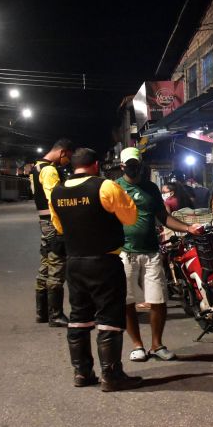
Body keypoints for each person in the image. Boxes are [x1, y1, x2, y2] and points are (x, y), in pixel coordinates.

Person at [49, 147, 142, 392]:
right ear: (96, 165)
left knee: (79, 317)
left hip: (75, 263)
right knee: (109, 318)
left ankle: (82, 373)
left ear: (74, 166)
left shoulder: (57, 193)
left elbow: (59, 227)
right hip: (104, 262)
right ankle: (111, 376)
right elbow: (130, 217)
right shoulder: (105, 187)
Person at [116, 147, 204, 363]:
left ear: (141, 164)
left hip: (151, 252)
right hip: (125, 253)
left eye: (136, 164)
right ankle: (137, 345)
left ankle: (157, 345)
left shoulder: (151, 188)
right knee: (127, 302)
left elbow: (164, 217)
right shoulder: (114, 188)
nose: (134, 168)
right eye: (130, 165)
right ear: (122, 166)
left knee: (158, 300)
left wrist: (188, 228)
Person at [30, 138, 74, 327]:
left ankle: (42, 313)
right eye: (69, 157)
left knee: (45, 266)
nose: (68, 161)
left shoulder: (36, 167)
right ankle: (55, 315)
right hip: (53, 223)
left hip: (44, 223)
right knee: (56, 267)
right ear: (63, 152)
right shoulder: (49, 170)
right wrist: (62, 227)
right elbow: (55, 199)